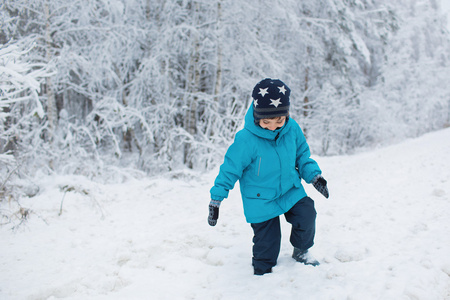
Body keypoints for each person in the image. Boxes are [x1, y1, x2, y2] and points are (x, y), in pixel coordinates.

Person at [208, 78, 329, 275]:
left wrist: (314, 176)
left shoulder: (292, 129)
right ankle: (261, 276)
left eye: (279, 120)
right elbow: (229, 169)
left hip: (290, 190)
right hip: (260, 199)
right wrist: (216, 199)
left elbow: (302, 156)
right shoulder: (246, 140)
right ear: (257, 117)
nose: (273, 126)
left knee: (307, 213)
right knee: (267, 245)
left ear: (286, 114)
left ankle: (301, 251)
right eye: (266, 122)